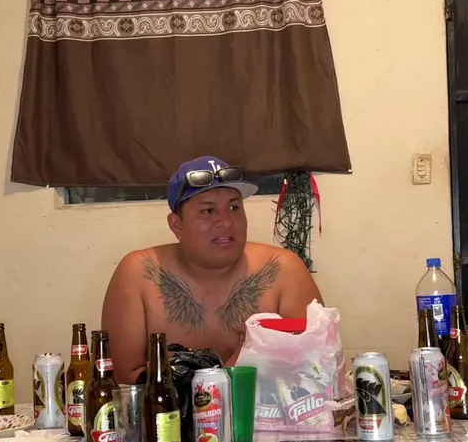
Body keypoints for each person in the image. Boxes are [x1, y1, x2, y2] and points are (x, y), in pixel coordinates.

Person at [101, 156, 323, 383]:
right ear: (177, 225)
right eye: (208, 210)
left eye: (234, 207)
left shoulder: (283, 270)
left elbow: (317, 371)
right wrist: (229, 372)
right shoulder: (139, 274)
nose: (226, 222)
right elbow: (126, 380)